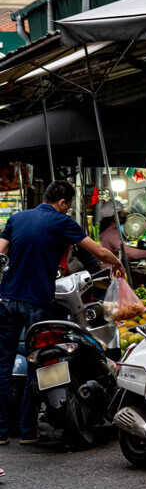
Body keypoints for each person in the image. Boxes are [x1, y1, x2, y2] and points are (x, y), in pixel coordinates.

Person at [0, 181, 125, 446]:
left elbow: (1, 252)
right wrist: (118, 264)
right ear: (63, 203)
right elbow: (99, 251)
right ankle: (27, 430)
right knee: (40, 363)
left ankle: (1, 432)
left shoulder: (16, 218)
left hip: (7, 297)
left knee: (3, 364)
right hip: (37, 300)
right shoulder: (62, 221)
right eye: (68, 206)